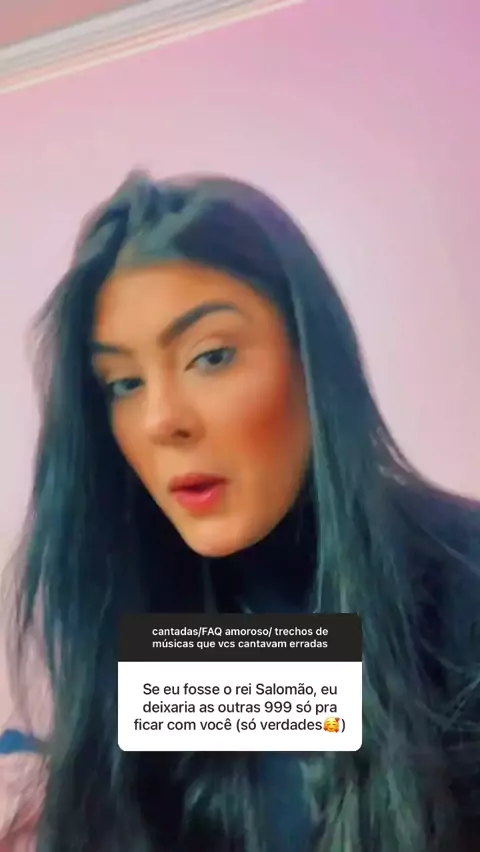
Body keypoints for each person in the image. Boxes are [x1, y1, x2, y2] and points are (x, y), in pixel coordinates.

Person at [2, 171, 479, 852]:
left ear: (310, 357)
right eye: (124, 383)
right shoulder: (153, 614)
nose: (162, 419)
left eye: (211, 356)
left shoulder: (462, 578)